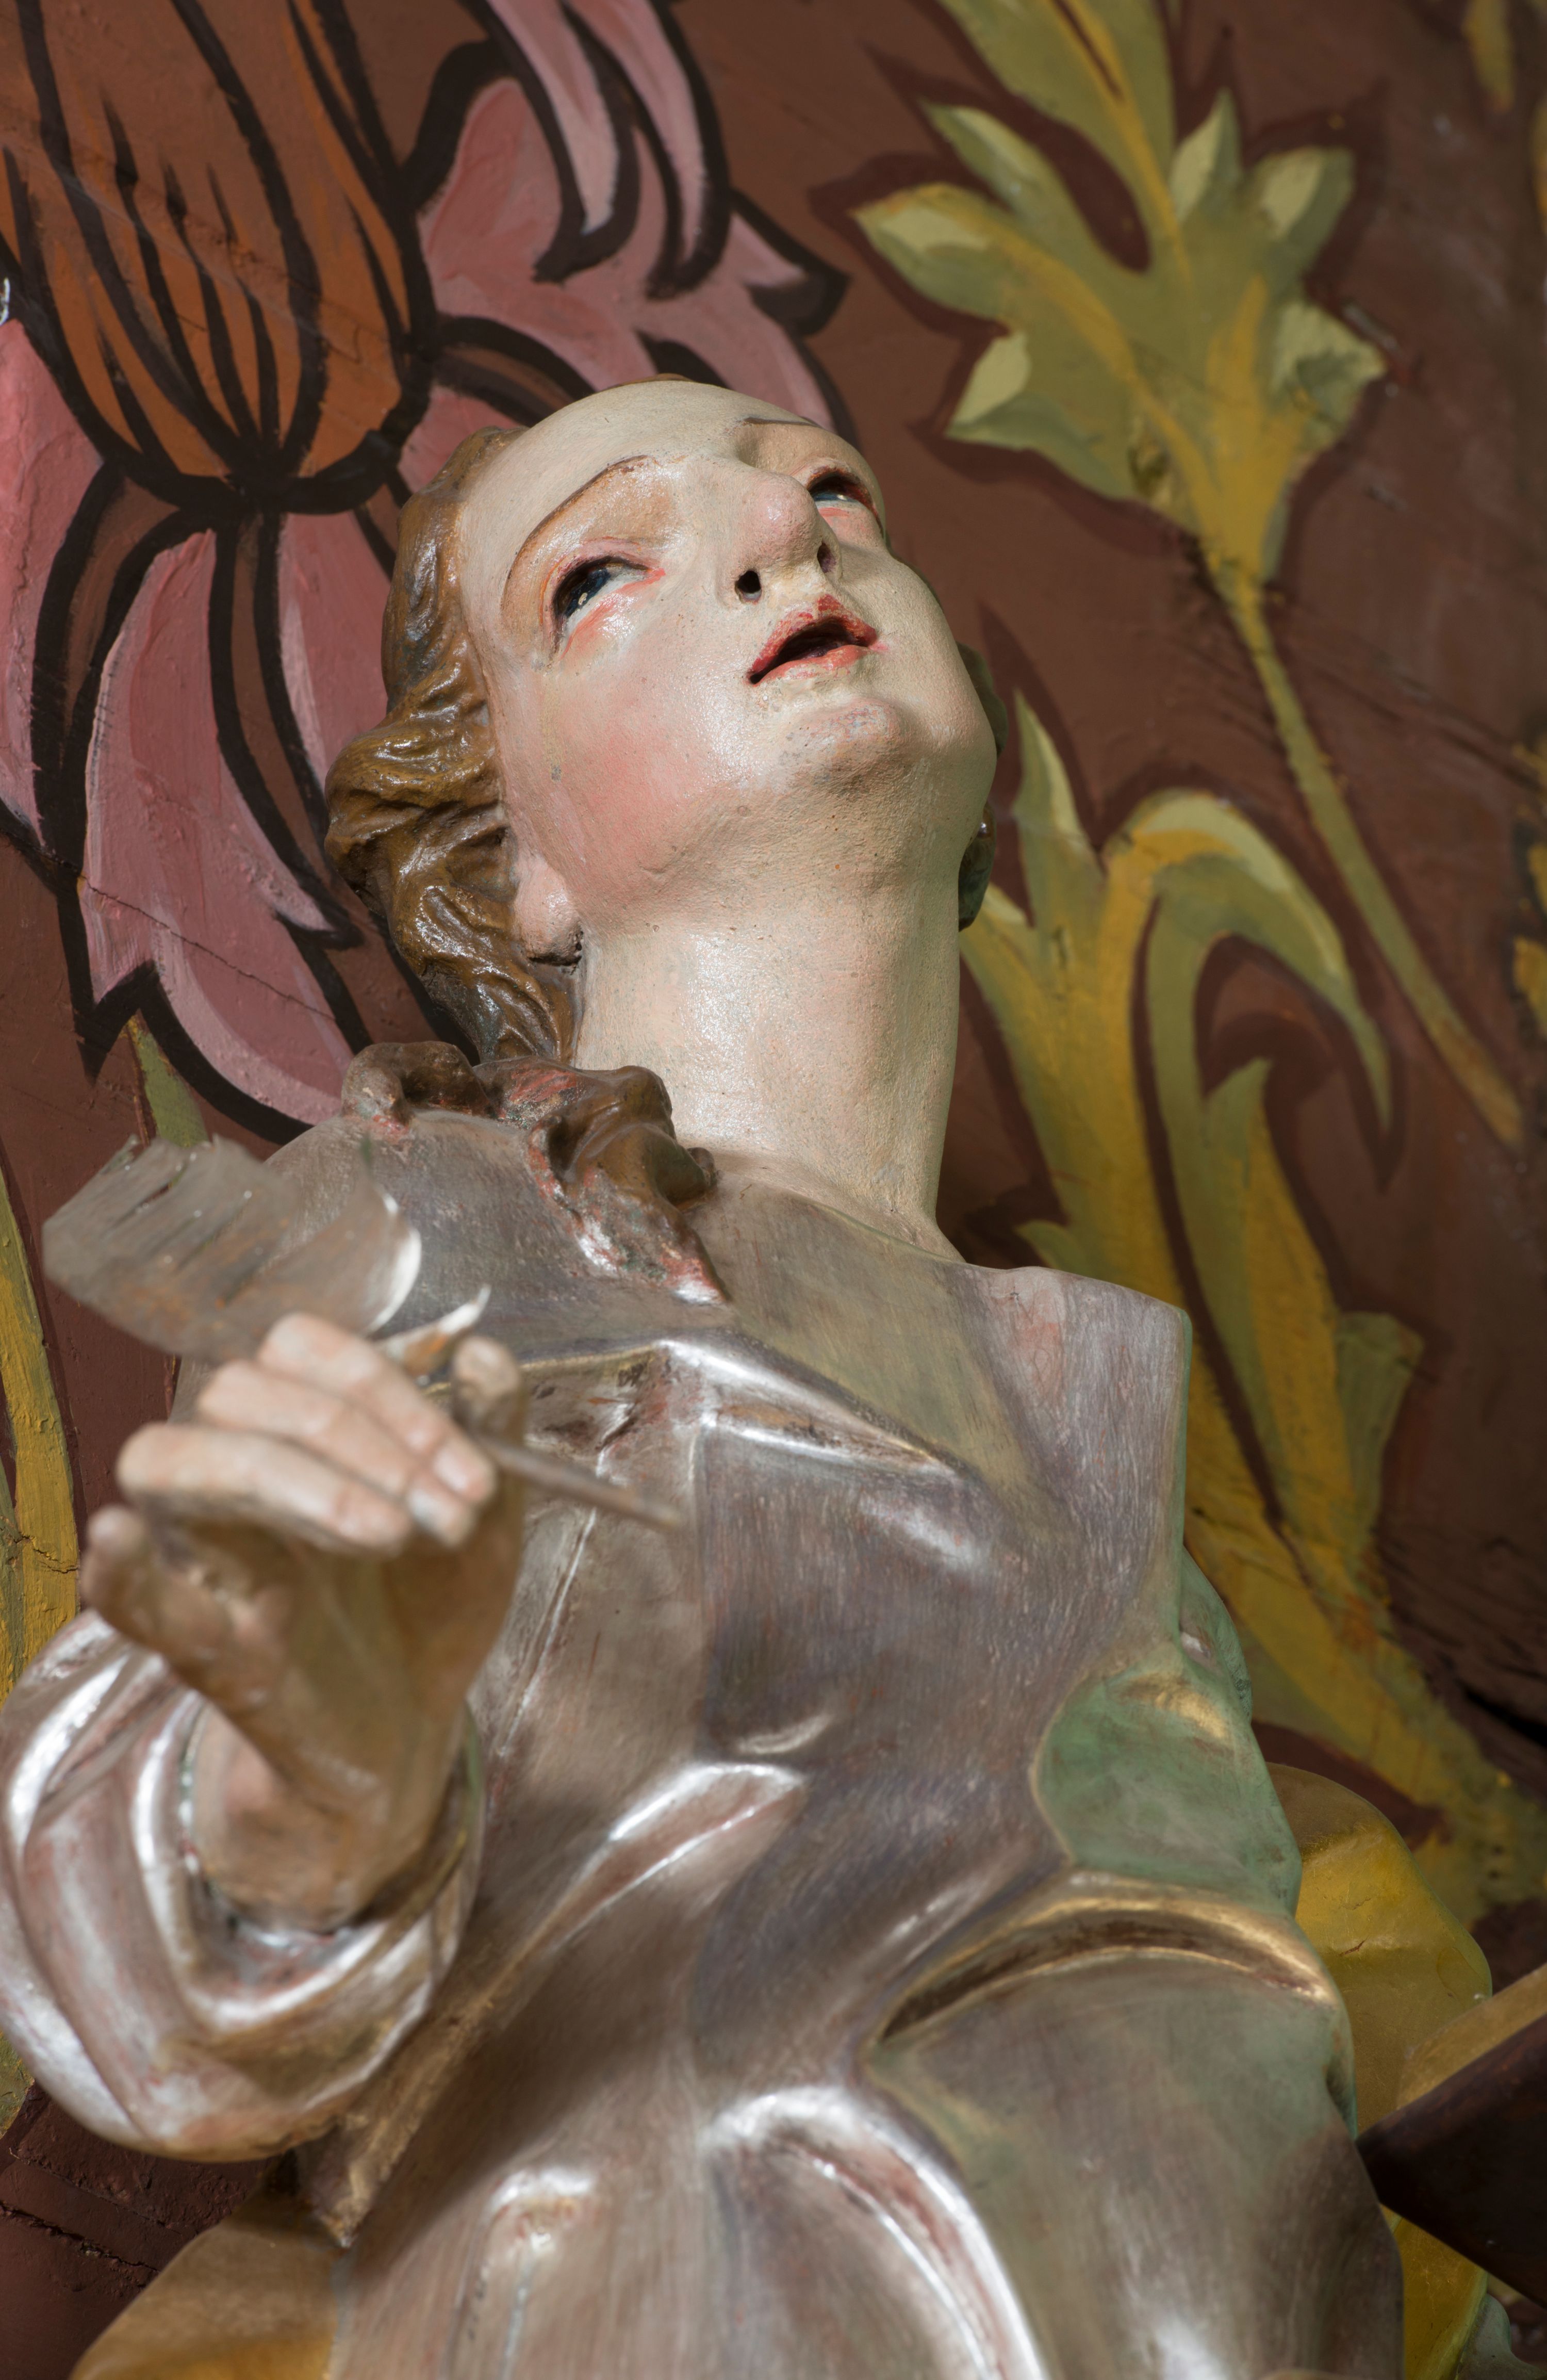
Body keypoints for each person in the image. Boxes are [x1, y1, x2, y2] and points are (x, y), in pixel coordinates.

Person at [0, 382, 1401, 2378]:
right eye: (600, 576)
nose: (788, 535)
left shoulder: (1098, 1412)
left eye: (835, 487)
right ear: (512, 862)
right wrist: (306, 1768)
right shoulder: (470, 1223)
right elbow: (139, 1906)